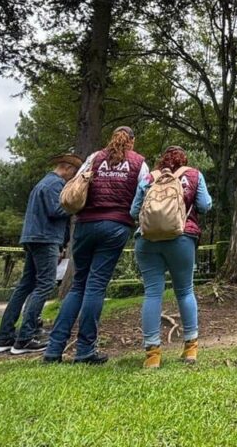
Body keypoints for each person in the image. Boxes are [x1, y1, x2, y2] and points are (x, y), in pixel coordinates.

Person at [43, 126, 149, 364]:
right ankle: (85, 350)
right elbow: (144, 194)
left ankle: (53, 348)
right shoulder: (139, 163)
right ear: (132, 141)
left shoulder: (94, 158)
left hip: (85, 225)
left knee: (78, 285)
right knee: (96, 286)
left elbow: (77, 185)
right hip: (115, 226)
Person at [0, 153, 81, 355]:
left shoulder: (42, 184)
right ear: (66, 167)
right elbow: (57, 211)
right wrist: (76, 204)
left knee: (25, 285)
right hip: (46, 238)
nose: (72, 178)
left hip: (32, 237)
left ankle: (4, 336)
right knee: (45, 284)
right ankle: (25, 338)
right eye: (73, 173)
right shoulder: (54, 184)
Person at [131, 146, 212, 368]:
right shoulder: (194, 175)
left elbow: (133, 211)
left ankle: (153, 355)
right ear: (184, 160)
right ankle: (190, 349)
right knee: (185, 291)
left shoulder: (150, 178)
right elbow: (205, 205)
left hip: (147, 240)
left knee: (152, 293)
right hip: (182, 237)